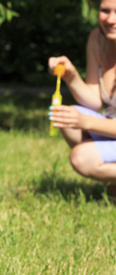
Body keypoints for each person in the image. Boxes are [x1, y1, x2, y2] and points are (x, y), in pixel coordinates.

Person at [48, 0, 116, 196]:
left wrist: (86, 122)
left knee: (81, 157)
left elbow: (89, 117)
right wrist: (71, 75)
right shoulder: (98, 39)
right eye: (105, 11)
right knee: (67, 116)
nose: (111, 19)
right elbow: (94, 101)